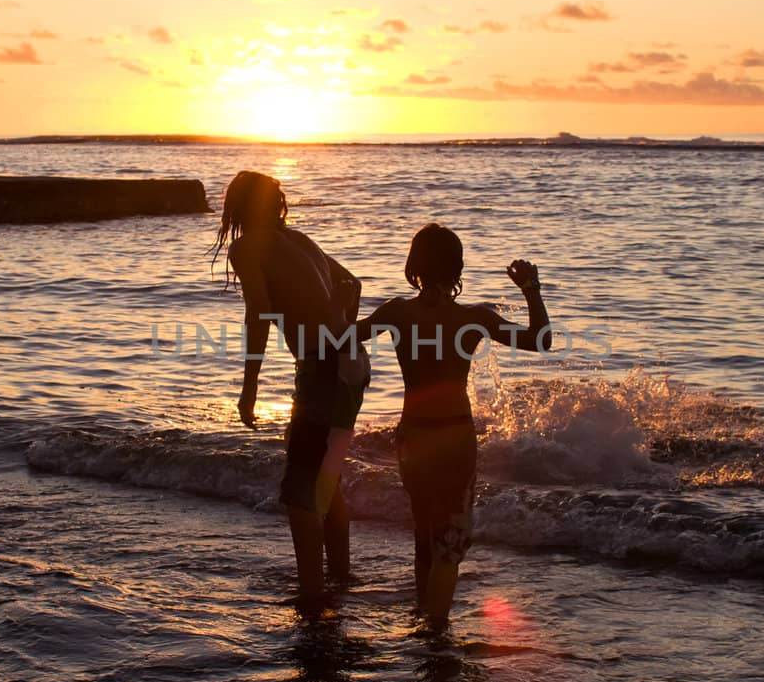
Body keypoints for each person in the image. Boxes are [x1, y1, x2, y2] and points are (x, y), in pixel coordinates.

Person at [352, 223, 551, 627]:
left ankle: (426, 619)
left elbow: (339, 339)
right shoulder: (473, 318)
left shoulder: (397, 312)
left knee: (424, 535)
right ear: (457, 269)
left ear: (414, 266)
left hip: (412, 438)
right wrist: (531, 289)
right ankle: (435, 633)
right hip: (455, 437)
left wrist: (336, 297)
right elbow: (540, 340)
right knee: (450, 541)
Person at [215, 170, 368, 605]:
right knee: (325, 479)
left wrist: (250, 388)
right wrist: (340, 330)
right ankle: (339, 580)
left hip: (321, 368)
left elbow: (258, 313)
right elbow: (352, 284)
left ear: (238, 209)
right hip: (352, 363)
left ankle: (312, 598)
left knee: (301, 490)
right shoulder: (300, 239)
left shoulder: (247, 246)